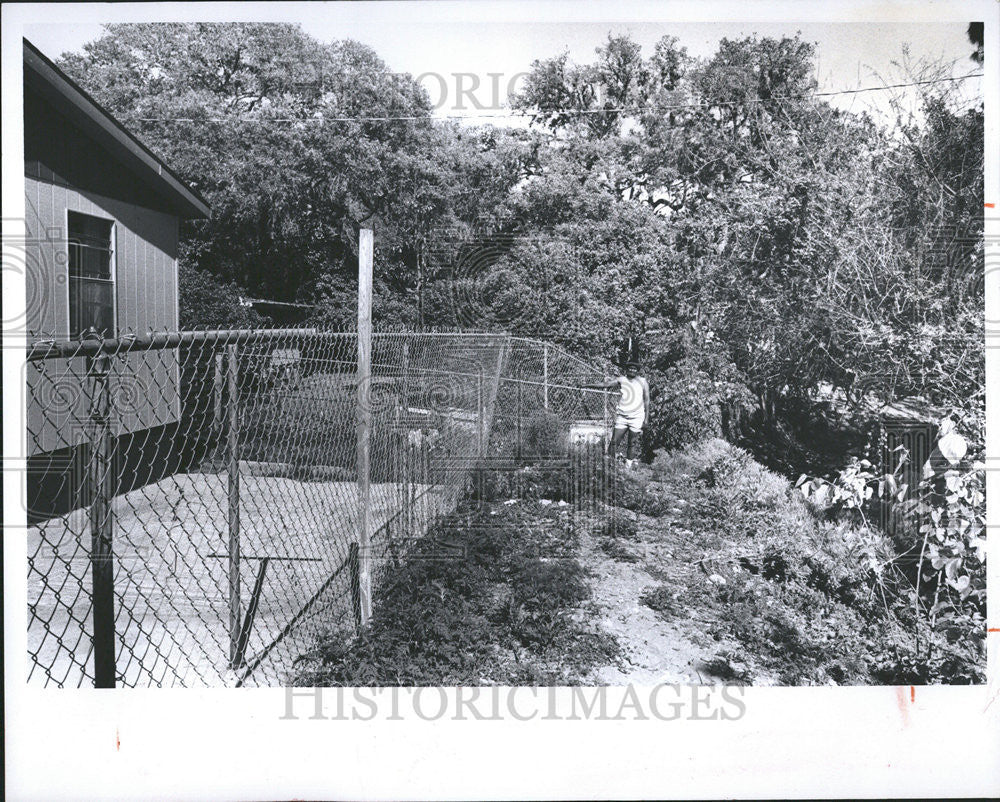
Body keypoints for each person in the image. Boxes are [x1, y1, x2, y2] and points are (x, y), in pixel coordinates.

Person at [597, 360, 649, 469]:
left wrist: (646, 419)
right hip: (622, 416)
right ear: (627, 369)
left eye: (634, 369)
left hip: (637, 417)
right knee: (614, 441)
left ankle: (627, 468)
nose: (632, 370)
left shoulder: (643, 381)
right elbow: (606, 385)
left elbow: (647, 400)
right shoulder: (622, 380)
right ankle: (608, 466)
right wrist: (586, 385)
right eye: (630, 368)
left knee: (632, 443)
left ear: (637, 371)